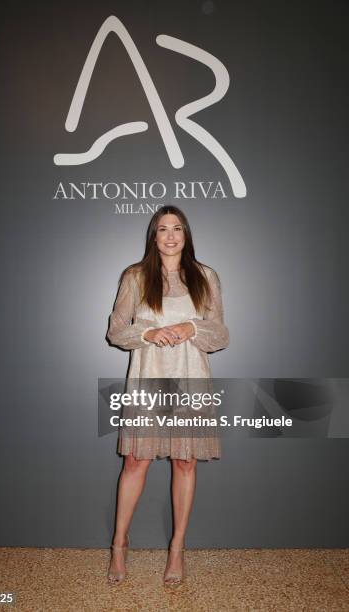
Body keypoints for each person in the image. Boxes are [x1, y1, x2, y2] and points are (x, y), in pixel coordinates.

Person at [106, 205, 229, 585]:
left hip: (191, 379)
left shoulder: (206, 276)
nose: (171, 236)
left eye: (178, 228)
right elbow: (115, 331)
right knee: (135, 464)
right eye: (163, 229)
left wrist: (191, 327)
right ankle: (119, 544)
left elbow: (221, 334)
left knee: (185, 464)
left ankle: (177, 550)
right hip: (148, 379)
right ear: (153, 236)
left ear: (186, 234)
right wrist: (146, 333)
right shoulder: (136, 276)